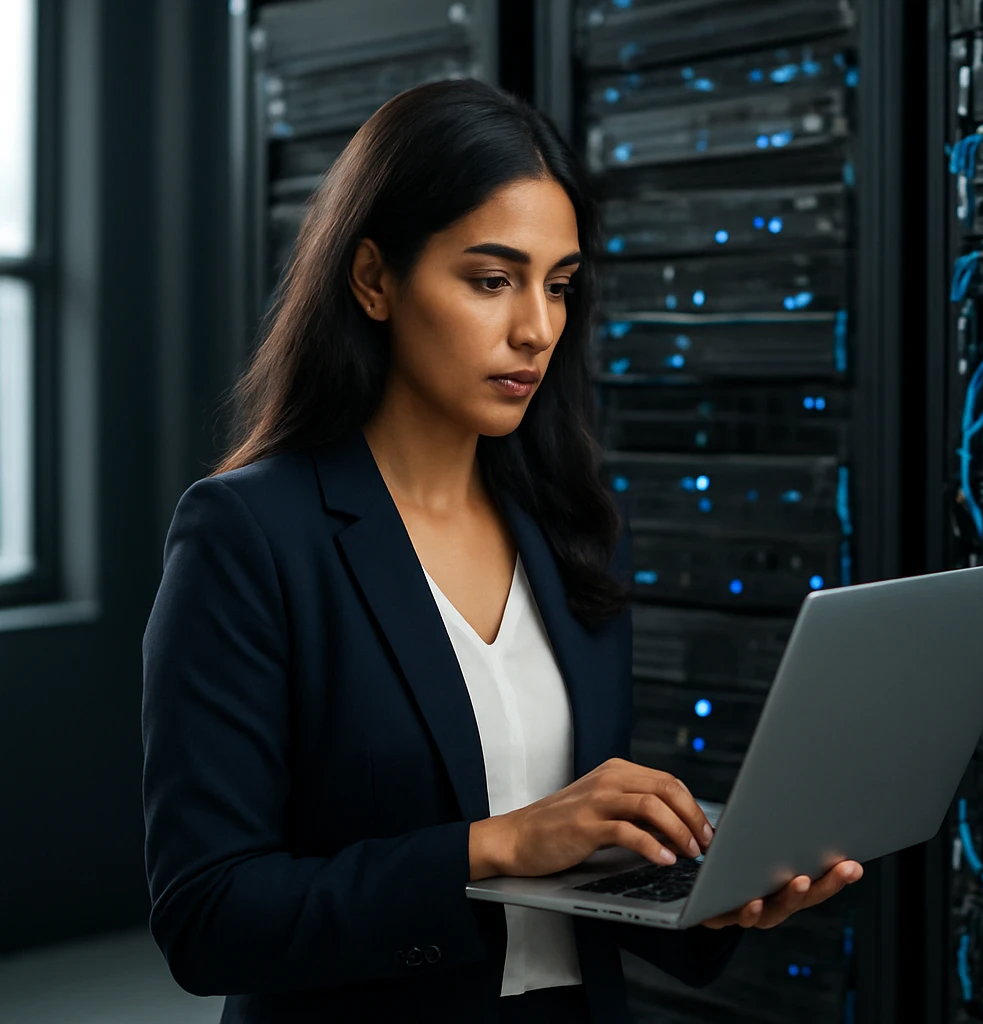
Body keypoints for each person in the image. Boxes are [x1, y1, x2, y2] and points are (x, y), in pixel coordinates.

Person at [141, 79, 862, 1024]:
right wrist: (492, 847)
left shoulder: (575, 527)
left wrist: (717, 892)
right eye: (492, 280)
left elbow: (578, 876)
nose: (538, 328)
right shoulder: (248, 536)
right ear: (373, 279)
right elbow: (209, 918)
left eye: (558, 285)